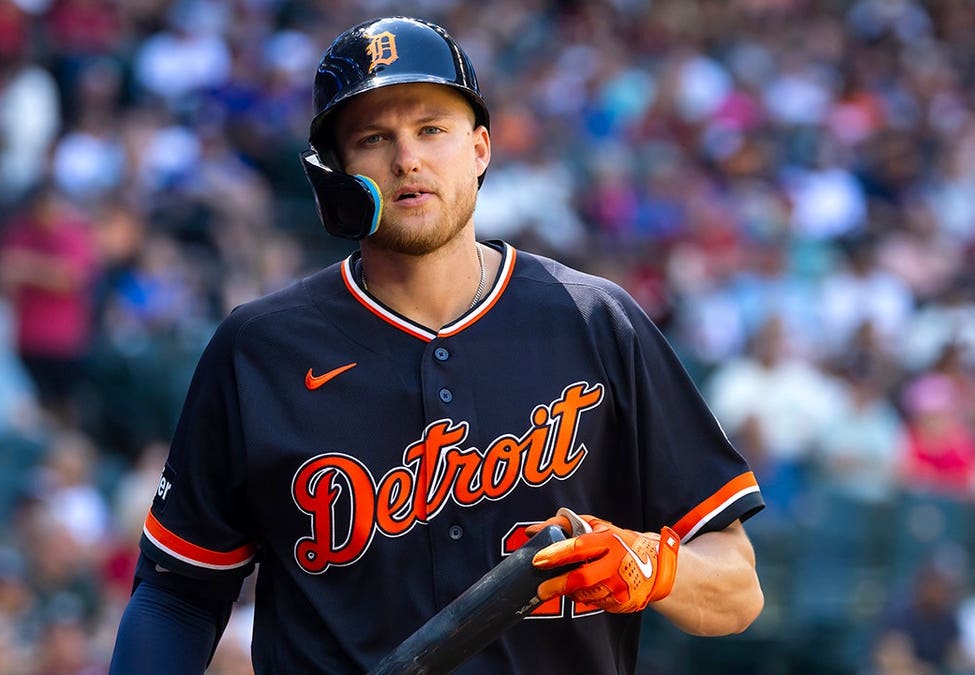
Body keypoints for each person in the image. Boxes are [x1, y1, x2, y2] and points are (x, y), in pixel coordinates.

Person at [110, 16, 764, 674]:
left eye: (432, 129)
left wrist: (651, 563)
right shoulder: (259, 350)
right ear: (334, 173)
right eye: (373, 138)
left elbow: (737, 586)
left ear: (480, 148)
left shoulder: (595, 320)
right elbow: (178, 591)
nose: (407, 158)